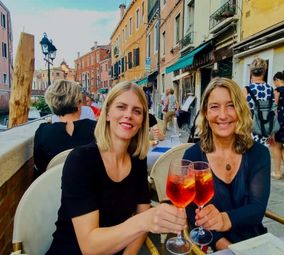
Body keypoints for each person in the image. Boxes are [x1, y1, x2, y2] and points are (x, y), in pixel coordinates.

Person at [46, 81, 187, 254]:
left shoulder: (137, 160)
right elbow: (90, 246)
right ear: (106, 114)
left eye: (137, 111)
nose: (128, 115)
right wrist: (145, 220)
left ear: (142, 120)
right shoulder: (81, 160)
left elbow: (141, 221)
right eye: (121, 107)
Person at [183, 77, 271, 251]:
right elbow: (193, 214)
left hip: (253, 243)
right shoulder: (193, 156)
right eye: (214, 107)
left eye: (230, 105)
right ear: (206, 113)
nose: (223, 115)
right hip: (214, 244)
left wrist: (223, 219)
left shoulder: (258, 153)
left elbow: (257, 209)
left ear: (240, 110)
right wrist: (225, 247)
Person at [33, 80, 96, 178]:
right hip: (93, 188)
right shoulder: (97, 129)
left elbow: (40, 167)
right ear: (79, 103)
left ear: (52, 106)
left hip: (54, 189)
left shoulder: (43, 132)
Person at [243, 57, 275, 146]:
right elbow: (274, 111)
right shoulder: (270, 89)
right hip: (265, 131)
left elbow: (240, 112)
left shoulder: (246, 90)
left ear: (251, 72)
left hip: (249, 131)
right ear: (264, 72)